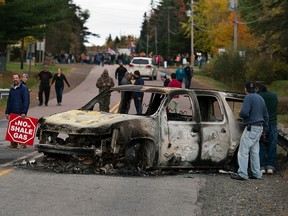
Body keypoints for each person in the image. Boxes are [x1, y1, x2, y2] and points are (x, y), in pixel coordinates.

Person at [231, 82, 269, 180]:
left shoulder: (248, 98)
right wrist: (264, 130)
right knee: (254, 152)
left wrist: (240, 114)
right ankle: (257, 174)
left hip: (251, 127)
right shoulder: (260, 98)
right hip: (259, 128)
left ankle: (243, 174)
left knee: (243, 151)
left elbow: (244, 112)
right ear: (255, 89)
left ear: (245, 89)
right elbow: (266, 116)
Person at [255, 81, 278, 174]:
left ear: (258, 88)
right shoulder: (273, 95)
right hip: (272, 123)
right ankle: (271, 166)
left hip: (261, 124)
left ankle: (261, 166)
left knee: (260, 145)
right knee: (272, 145)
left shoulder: (258, 97)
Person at [5, 73, 30, 149]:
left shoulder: (24, 88)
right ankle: (13, 144)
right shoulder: (12, 88)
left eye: (16, 78)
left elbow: (26, 101)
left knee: (21, 128)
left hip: (20, 111)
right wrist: (7, 112)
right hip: (12, 111)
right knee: (13, 128)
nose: (15, 79)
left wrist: (24, 112)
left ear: (20, 79)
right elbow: (9, 101)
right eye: (14, 78)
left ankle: (22, 144)